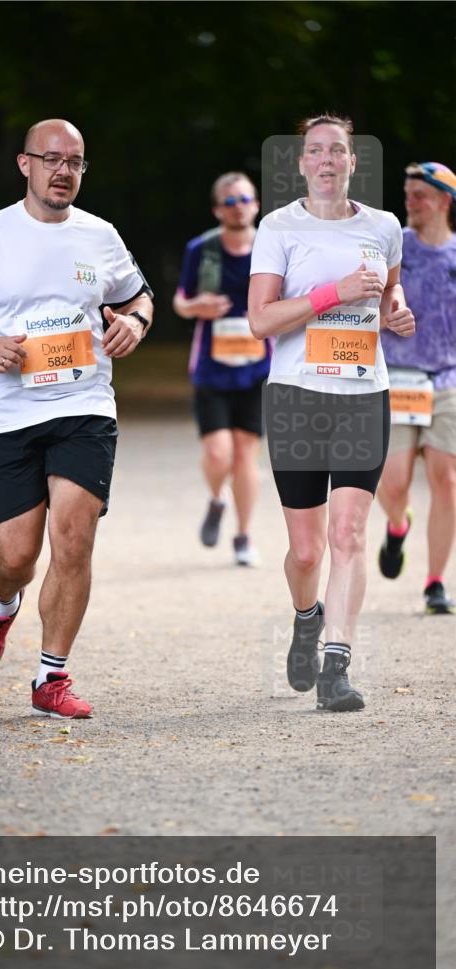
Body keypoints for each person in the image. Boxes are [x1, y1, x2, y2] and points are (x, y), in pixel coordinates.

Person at [0, 119, 153, 719]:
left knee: (73, 539)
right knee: (17, 554)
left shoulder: (100, 235)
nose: (64, 172)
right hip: (7, 413)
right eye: (52, 159)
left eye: (75, 162)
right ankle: (2, 604)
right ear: (24, 164)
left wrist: (135, 322)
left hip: (83, 406)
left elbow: (138, 295)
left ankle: (51, 677)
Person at [248, 113, 415, 712]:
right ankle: (305, 616)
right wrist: (331, 294)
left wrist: (396, 311)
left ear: (352, 162)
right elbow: (260, 319)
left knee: (348, 534)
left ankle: (337, 667)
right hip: (296, 397)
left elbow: (390, 292)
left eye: (336, 151)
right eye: (314, 151)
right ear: (300, 164)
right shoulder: (278, 227)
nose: (325, 160)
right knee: (307, 551)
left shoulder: (384, 226)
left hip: (363, 396)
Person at [173, 173, 270, 565]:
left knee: (246, 454)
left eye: (244, 199)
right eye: (229, 201)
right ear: (218, 209)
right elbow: (180, 301)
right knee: (218, 455)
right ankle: (217, 498)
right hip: (212, 368)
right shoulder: (202, 249)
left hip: (257, 368)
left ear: (257, 204)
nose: (238, 206)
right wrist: (199, 307)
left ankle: (244, 537)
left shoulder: (271, 249)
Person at [377, 161, 456, 614]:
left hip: (446, 380)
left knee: (445, 480)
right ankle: (397, 524)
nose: (411, 201)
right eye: (407, 194)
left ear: (445, 199)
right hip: (397, 380)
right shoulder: (394, 248)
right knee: (394, 483)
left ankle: (435, 582)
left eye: (420, 195)